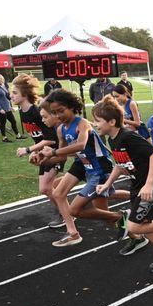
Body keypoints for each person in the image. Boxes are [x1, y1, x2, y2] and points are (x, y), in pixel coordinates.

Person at [92, 96, 153, 272]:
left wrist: (149, 184)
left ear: (112, 121)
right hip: (136, 185)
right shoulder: (112, 139)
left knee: (134, 226)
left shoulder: (128, 136)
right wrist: (107, 184)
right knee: (143, 223)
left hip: (148, 186)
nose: (94, 124)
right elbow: (121, 166)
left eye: (97, 121)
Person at [39, 89, 129, 247]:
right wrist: (42, 159)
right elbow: (62, 157)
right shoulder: (61, 129)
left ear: (72, 107)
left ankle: (124, 217)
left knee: (94, 209)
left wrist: (52, 151)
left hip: (99, 167)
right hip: (84, 164)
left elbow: (80, 144)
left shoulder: (82, 123)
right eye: (54, 113)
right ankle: (74, 233)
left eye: (61, 111)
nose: (58, 115)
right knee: (59, 192)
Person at [11, 74, 66, 229]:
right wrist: (35, 150)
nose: (11, 95)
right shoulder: (22, 111)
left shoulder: (36, 111)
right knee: (46, 189)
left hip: (54, 151)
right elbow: (37, 137)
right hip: (42, 152)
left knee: (46, 188)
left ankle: (65, 213)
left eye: (15, 93)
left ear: (25, 94)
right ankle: (64, 211)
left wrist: (28, 149)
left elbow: (51, 138)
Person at [0, 74, 24, 142]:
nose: (0, 80)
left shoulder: (4, 86)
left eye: (1, 79)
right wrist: (0, 109)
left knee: (13, 121)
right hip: (1, 109)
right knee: (3, 123)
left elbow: (7, 98)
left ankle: (18, 135)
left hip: (7, 108)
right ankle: (4, 138)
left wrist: (11, 107)